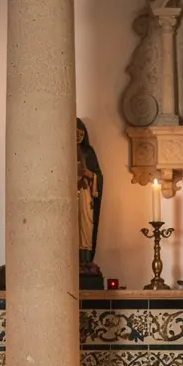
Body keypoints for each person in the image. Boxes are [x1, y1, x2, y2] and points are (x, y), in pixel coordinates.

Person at [76, 118, 104, 276]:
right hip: (72, 195)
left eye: (81, 134)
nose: (78, 137)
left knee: (86, 227)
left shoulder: (89, 151)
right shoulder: (64, 150)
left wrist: (89, 174)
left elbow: (99, 176)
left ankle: (86, 261)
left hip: (86, 196)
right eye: (75, 133)